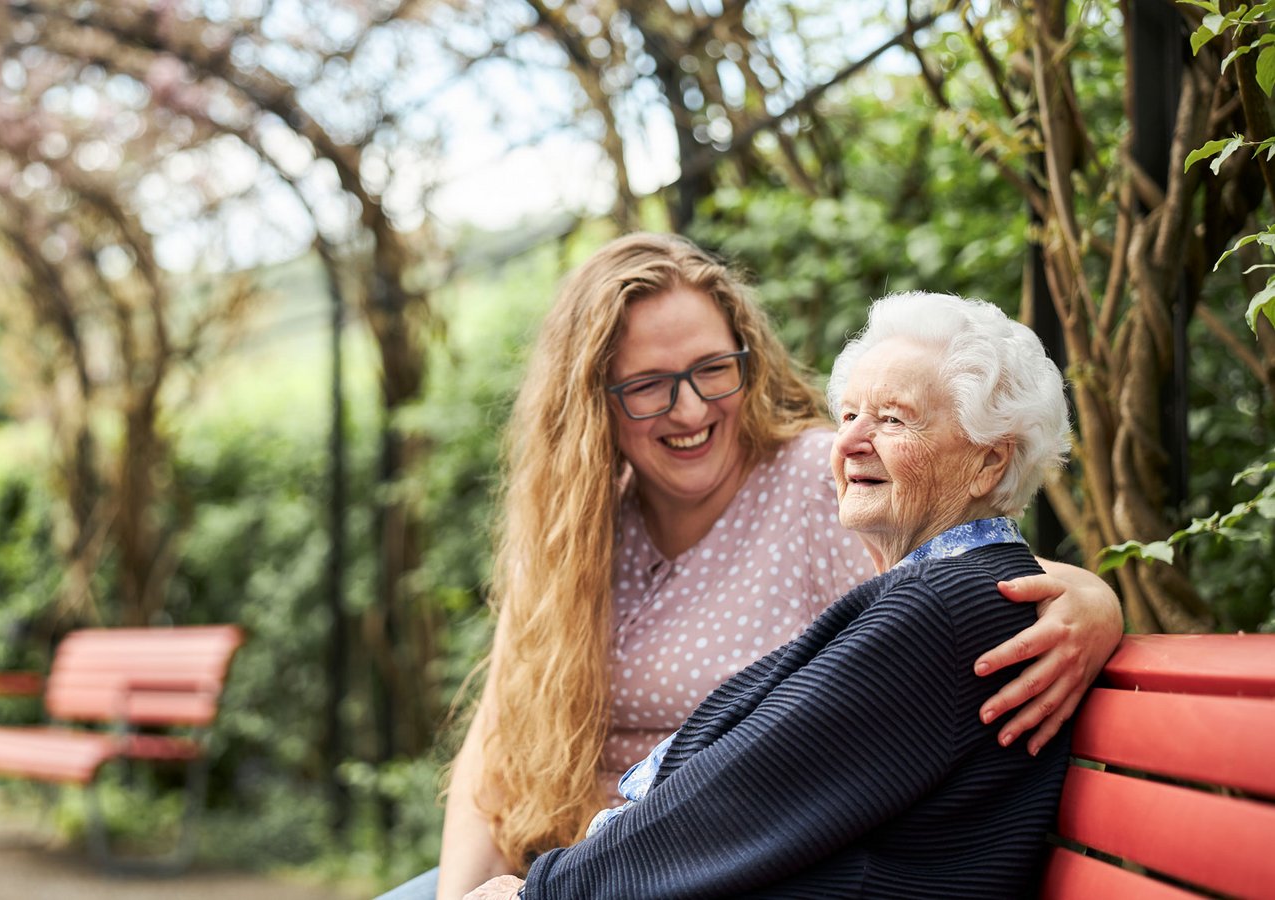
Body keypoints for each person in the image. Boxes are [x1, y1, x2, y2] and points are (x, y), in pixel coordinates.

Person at [377, 234, 1122, 900]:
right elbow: (500, 736)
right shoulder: (582, 523)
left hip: (650, 875)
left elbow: (958, 583)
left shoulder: (823, 491)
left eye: (711, 369)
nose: (691, 408)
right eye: (647, 385)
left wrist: (1092, 594)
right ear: (593, 402)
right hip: (580, 863)